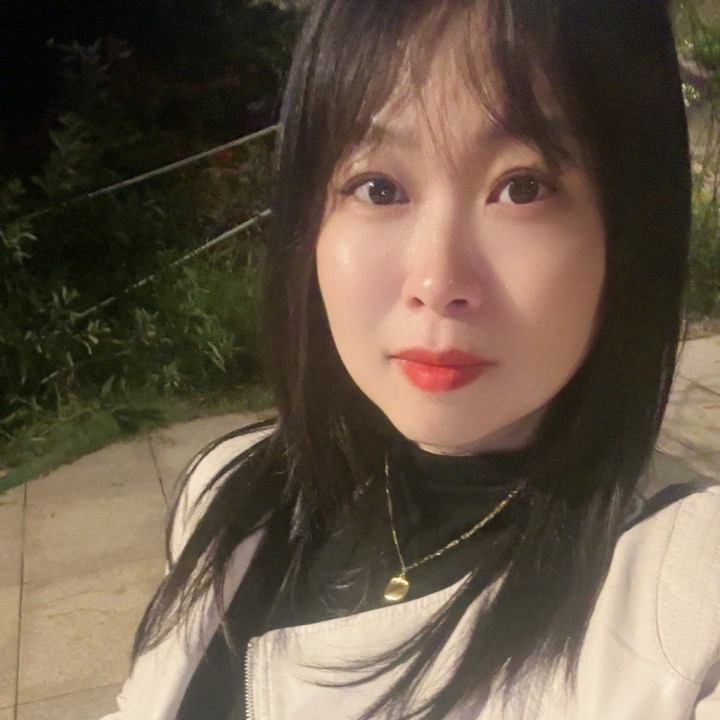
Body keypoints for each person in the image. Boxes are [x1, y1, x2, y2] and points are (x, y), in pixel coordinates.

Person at [102, 1, 720, 718]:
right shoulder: (230, 495)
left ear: (631, 226)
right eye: (379, 188)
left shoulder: (690, 604)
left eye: (522, 187)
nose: (436, 281)